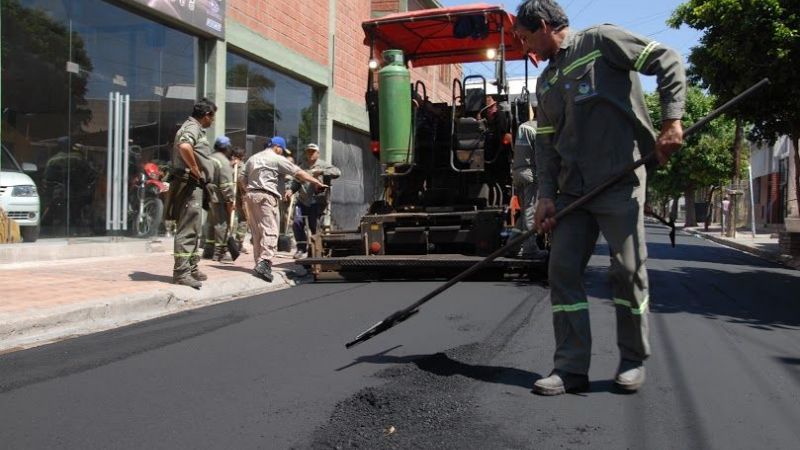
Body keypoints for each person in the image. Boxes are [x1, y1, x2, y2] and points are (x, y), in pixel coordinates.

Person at [514, 0, 686, 395]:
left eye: (525, 38)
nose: (526, 49)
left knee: (627, 271)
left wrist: (671, 121)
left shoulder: (601, 41)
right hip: (574, 191)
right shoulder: (547, 82)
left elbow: (667, 59)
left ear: (542, 25)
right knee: (562, 272)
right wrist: (545, 195)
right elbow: (545, 145)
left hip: (619, 180)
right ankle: (570, 367)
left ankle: (632, 359)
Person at [243, 136, 327, 282]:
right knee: (271, 231)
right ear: (278, 147)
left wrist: (249, 191)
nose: (281, 152)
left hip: (251, 196)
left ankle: (259, 263)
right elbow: (298, 173)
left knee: (257, 231)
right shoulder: (276, 158)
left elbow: (242, 177)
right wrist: (316, 181)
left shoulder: (253, 158)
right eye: (281, 150)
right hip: (266, 197)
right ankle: (265, 263)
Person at [167, 98, 218, 289]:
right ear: (207, 115)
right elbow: (185, 146)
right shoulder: (192, 128)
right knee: (188, 228)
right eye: (212, 117)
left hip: (196, 185)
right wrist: (195, 168)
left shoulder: (195, 128)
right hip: (189, 184)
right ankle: (181, 272)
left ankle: (192, 267)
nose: (213, 121)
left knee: (194, 227)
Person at [287, 143, 341, 259]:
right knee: (297, 223)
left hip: (317, 202)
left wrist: (321, 172)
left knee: (314, 226)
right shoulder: (302, 166)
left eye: (313, 151)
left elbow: (337, 172)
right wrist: (291, 190)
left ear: (318, 153)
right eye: (308, 152)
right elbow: (296, 182)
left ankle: (316, 250)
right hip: (302, 200)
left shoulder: (323, 165)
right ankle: (301, 249)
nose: (310, 154)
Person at [206, 136, 236, 261]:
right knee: (222, 224)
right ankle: (220, 252)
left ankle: (208, 249)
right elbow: (226, 185)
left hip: (208, 196)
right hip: (219, 198)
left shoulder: (209, 158)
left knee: (211, 223)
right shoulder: (223, 162)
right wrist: (230, 200)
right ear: (227, 148)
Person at [230, 146, 250, 252]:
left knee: (229, 219)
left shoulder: (228, 165)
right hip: (239, 196)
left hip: (228, 195)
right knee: (243, 219)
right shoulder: (242, 166)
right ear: (243, 156)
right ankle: (238, 243)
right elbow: (242, 181)